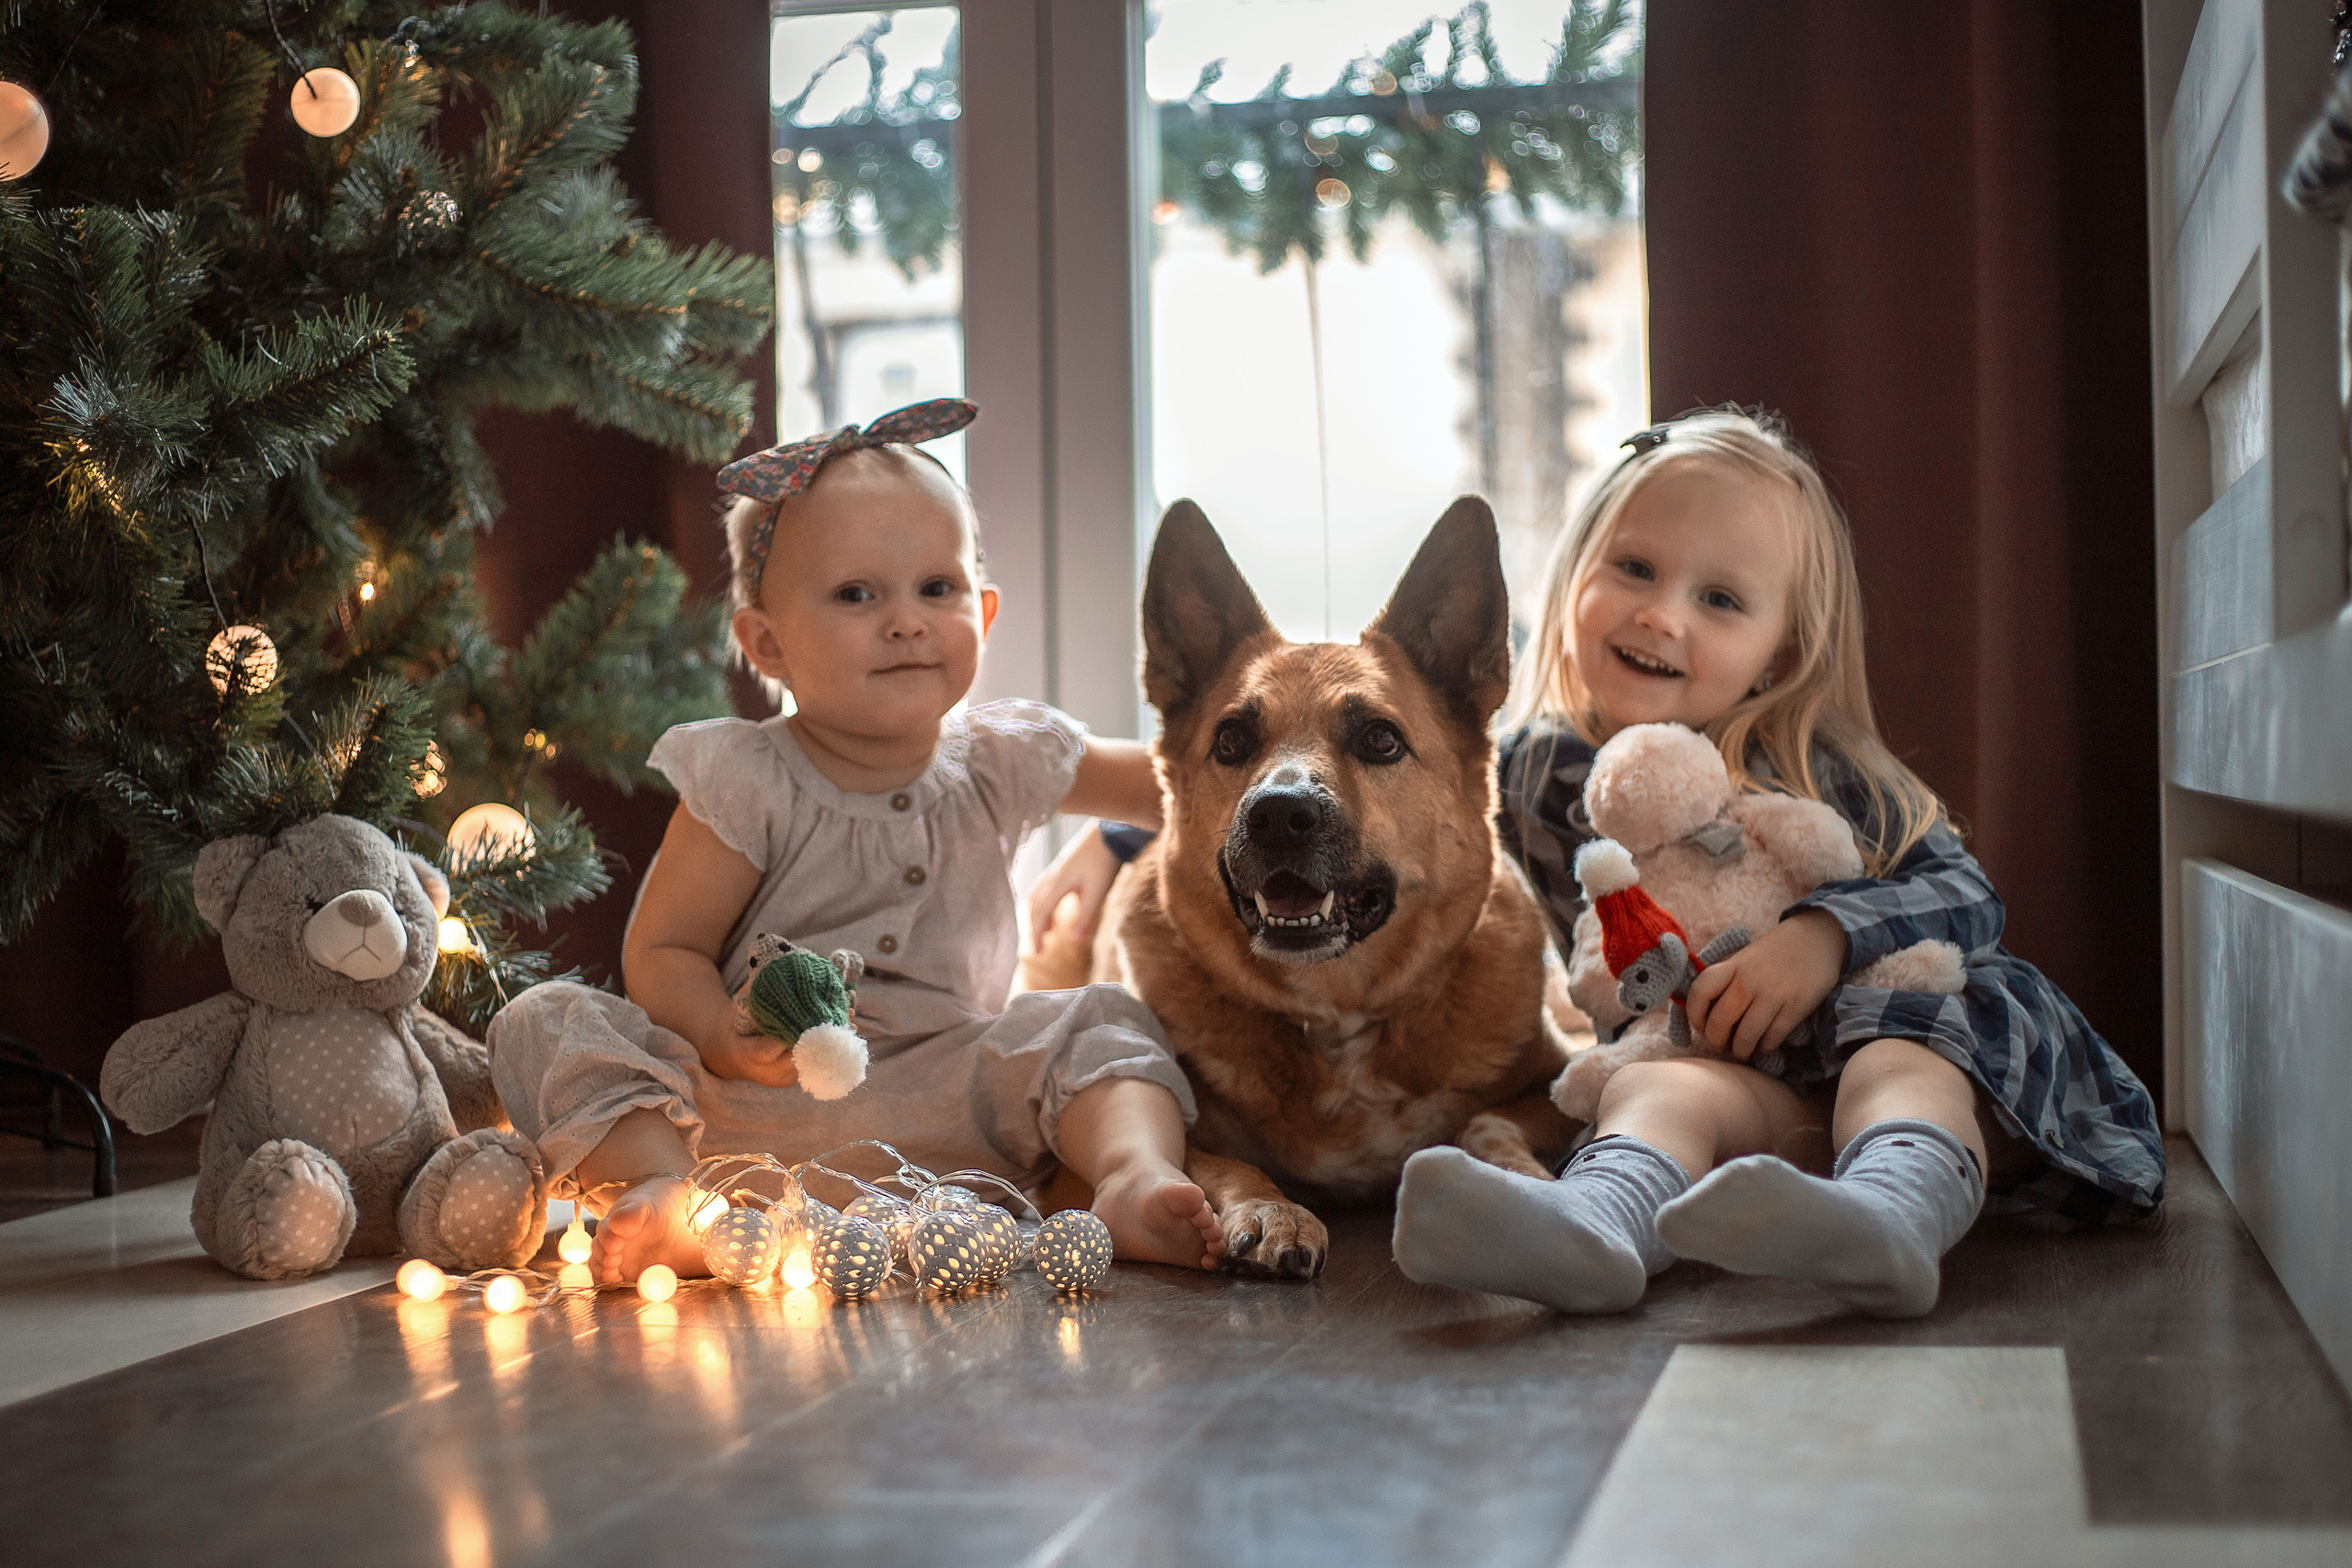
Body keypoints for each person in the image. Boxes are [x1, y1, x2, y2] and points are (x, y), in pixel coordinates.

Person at [1026, 408, 2161, 1319]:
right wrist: (1125, 831)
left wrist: (1819, 941)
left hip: (1901, 1034)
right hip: (1725, 1074)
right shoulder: (1533, 773)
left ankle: (1894, 1218)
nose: (1665, 615)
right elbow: (1239, 785)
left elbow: (1964, 891)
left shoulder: (1816, 767)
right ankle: (1593, 1230)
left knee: (1900, 1064)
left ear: (1786, 646)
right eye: (1635, 567)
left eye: (1718, 598)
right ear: (1574, 584)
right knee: (1649, 1090)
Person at [488, 400, 1224, 1286]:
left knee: (1100, 1017)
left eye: (936, 588)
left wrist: (1111, 838)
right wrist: (721, 1037)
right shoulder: (750, 776)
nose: (907, 620)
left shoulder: (1004, 758)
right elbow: (663, 948)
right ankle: (671, 1193)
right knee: (545, 1020)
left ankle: (1133, 1176)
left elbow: (1186, 781)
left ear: (983, 612)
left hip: (956, 1092)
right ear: (767, 642)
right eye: (855, 594)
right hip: (753, 1102)